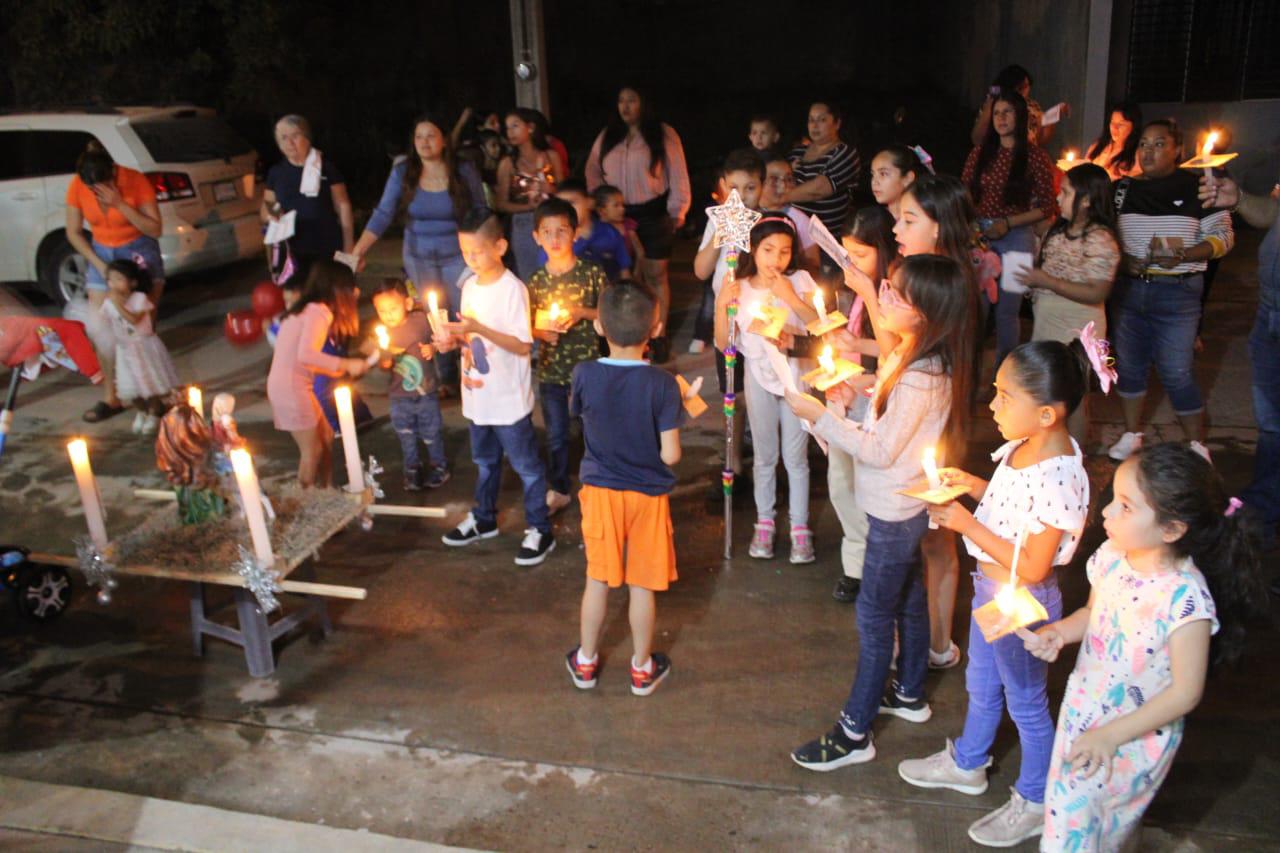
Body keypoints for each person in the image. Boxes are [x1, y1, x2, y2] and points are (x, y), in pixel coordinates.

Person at [898, 340, 1095, 848]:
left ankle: (1035, 799)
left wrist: (964, 521)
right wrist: (974, 486)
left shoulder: (1059, 475)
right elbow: (1014, 505)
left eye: (1005, 398)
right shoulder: (1030, 446)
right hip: (990, 591)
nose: (992, 406)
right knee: (982, 684)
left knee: (1027, 702)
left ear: (1048, 414)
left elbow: (1031, 564)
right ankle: (969, 762)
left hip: (1019, 603)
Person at [1023, 443, 1264, 851]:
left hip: (1133, 737)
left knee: (1082, 826)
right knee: (1083, 824)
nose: (1106, 513)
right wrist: (1061, 632)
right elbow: (1093, 614)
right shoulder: (1114, 557)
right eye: (1114, 500)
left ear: (1172, 529)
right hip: (1084, 712)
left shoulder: (1185, 601)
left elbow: (1186, 692)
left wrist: (1111, 735)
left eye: (1126, 507)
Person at [786, 253, 974, 770]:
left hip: (894, 509)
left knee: (873, 620)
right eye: (886, 287)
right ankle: (910, 692)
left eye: (895, 295)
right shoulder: (915, 354)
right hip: (898, 502)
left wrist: (821, 416)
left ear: (927, 312)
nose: (883, 298)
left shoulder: (921, 375)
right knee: (910, 597)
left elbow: (878, 450)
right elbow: (891, 420)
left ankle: (854, 732)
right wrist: (864, 392)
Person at [565, 281, 685, 697]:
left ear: (599, 326)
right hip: (648, 497)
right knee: (641, 585)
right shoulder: (664, 384)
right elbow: (670, 455)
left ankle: (585, 663)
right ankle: (641, 668)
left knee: (597, 580)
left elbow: (583, 417)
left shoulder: (583, 374)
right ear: (655, 330)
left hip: (600, 492)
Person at [887, 174, 987, 669]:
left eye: (909, 220)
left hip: (938, 430)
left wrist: (869, 291)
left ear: (940, 229)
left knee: (935, 535)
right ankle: (927, 638)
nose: (897, 229)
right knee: (927, 536)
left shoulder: (943, 286)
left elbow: (914, 357)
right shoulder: (925, 276)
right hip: (928, 421)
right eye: (898, 217)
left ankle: (936, 642)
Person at [1107, 120, 1234, 462]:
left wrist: (1185, 254)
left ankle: (1196, 444)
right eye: (1143, 144)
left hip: (1177, 293)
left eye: (1158, 144)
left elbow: (1223, 237)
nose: (1148, 151)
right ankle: (1132, 434)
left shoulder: (1200, 188)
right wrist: (1123, 261)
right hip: (1131, 292)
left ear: (1178, 149)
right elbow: (1107, 237)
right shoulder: (1122, 191)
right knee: (1130, 366)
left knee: (1176, 371)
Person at [440, 210, 555, 566]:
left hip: (507, 399)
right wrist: (453, 341)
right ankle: (484, 518)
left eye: (476, 252)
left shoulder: (512, 290)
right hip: (478, 396)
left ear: (500, 246)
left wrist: (478, 328)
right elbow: (471, 339)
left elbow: (523, 345)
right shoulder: (470, 286)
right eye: (464, 252)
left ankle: (539, 527)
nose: (469, 259)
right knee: (485, 462)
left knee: (528, 468)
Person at [714, 215, 819, 563]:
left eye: (785, 251)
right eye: (768, 249)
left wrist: (788, 294)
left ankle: (800, 527)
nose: (776, 259)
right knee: (764, 456)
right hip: (757, 378)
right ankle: (765, 522)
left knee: (795, 457)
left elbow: (819, 326)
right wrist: (720, 303)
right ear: (753, 250)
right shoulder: (738, 286)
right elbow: (723, 342)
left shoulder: (799, 280)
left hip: (795, 377)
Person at [1198, 171, 1280, 552]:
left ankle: (1261, 511)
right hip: (1270, 310)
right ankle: (1262, 510)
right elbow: (1273, 212)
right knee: (1270, 424)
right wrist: (1241, 199)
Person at [826, 206, 899, 603]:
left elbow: (898, 354)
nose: (851, 265)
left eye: (861, 255)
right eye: (846, 254)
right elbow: (865, 342)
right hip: (847, 393)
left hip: (874, 400)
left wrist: (864, 378)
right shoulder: (855, 291)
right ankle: (855, 563)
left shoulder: (892, 290)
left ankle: (872, 564)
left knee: (868, 486)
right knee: (840, 482)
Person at [585, 86, 691, 362]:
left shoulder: (663, 133)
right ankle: (624, 337)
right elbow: (592, 170)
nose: (626, 106)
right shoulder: (608, 135)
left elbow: (678, 173)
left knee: (656, 275)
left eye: (632, 100)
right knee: (622, 277)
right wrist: (599, 203)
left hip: (653, 214)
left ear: (644, 103)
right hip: (616, 215)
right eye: (621, 100)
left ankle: (658, 336)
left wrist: (677, 211)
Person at [351, 114, 485, 325]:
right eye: (419, 137)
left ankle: (469, 357)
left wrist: (485, 250)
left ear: (444, 139)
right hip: (419, 258)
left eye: (430, 136)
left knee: (464, 313)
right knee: (434, 317)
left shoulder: (463, 169)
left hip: (459, 256)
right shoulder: (403, 171)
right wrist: (358, 250)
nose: (424, 142)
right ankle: (442, 358)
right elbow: (383, 214)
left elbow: (480, 210)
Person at [65, 145, 164, 424]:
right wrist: (100, 266)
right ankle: (113, 396)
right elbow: (73, 232)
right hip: (102, 254)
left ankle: (152, 398)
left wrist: (121, 204)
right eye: (93, 187)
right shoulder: (77, 185)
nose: (99, 191)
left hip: (138, 251)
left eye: (105, 183)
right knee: (102, 328)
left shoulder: (134, 180)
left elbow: (155, 229)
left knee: (141, 330)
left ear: (114, 172)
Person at [963, 90, 1059, 372]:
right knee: (977, 310)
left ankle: (1003, 376)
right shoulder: (980, 154)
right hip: (980, 239)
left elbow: (1047, 205)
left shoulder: (1035, 157)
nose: (1001, 118)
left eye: (1008, 112)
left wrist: (1008, 224)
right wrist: (973, 229)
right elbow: (964, 193)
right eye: (996, 113)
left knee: (1008, 311)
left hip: (1017, 237)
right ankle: (970, 375)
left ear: (1020, 117)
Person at [1022, 163, 1120, 442]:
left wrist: (1046, 281)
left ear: (1087, 199)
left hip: (1078, 332)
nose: (1057, 198)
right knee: (1047, 391)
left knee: (1074, 399)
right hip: (1047, 325)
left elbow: (1097, 292)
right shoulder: (1058, 229)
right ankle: (1049, 451)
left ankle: (1075, 459)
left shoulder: (1100, 238)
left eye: (1065, 192)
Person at [528, 197, 609, 515]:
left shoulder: (591, 272)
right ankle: (559, 487)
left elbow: (607, 312)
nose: (555, 238)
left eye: (562, 230)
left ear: (575, 233)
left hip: (588, 368)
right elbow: (525, 322)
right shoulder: (535, 281)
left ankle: (599, 485)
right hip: (551, 371)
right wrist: (539, 332)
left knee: (594, 430)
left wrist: (581, 312)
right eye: (547, 232)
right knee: (557, 435)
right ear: (536, 237)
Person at [266, 260, 368, 488]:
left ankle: (325, 491)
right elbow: (307, 355)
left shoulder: (305, 309)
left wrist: (345, 367)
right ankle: (305, 502)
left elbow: (304, 359)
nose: (356, 293)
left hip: (289, 384)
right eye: (351, 287)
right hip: (292, 388)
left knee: (326, 437)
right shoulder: (319, 312)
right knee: (311, 452)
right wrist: (347, 363)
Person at [369, 279, 448, 492]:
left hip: (426, 391)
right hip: (399, 396)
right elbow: (383, 365)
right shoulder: (381, 334)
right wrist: (385, 362)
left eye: (393, 308)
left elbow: (442, 339)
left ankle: (438, 466)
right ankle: (412, 469)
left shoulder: (420, 321)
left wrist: (432, 348)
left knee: (431, 432)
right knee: (406, 435)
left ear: (407, 304)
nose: (388, 315)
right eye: (382, 310)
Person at [261, 115, 354, 280]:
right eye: (283, 138)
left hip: (327, 245)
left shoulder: (326, 168)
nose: (289, 143)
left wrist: (348, 248)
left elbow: (343, 206)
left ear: (307, 138)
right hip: (293, 250)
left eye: (295, 136)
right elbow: (268, 204)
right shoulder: (276, 173)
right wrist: (274, 214)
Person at [98, 259, 179, 435]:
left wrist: (118, 304)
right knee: (131, 387)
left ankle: (154, 411)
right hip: (124, 349)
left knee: (148, 384)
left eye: (119, 279)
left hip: (143, 347)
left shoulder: (140, 299)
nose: (113, 284)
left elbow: (133, 319)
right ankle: (141, 411)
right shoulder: (109, 303)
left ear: (132, 282)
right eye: (110, 280)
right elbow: (103, 321)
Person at [495, 108, 564, 283]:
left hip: (553, 220)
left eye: (515, 126)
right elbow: (501, 204)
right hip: (523, 223)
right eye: (507, 128)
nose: (510, 131)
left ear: (531, 127)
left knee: (557, 272)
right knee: (529, 276)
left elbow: (566, 193)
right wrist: (529, 207)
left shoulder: (551, 156)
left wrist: (553, 190)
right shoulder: (508, 163)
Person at [786, 101, 859, 247]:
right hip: (792, 239)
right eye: (811, 120)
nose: (815, 125)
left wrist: (778, 197)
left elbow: (818, 190)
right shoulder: (797, 153)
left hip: (826, 244)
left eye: (822, 120)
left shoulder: (845, 153)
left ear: (837, 124)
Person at [533, 179, 632, 282]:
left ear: (589, 202)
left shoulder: (609, 233)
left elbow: (624, 271)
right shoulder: (553, 245)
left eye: (572, 203)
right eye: (560, 205)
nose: (566, 209)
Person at [969, 64, 1055, 147]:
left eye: (1026, 86)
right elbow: (977, 139)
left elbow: (1040, 141)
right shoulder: (995, 104)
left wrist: (1051, 119)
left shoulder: (1032, 106)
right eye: (1020, 88)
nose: (1023, 92)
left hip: (1027, 155)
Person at [869, 145, 930, 220]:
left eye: (883, 174)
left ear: (908, 178)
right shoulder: (872, 220)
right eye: (873, 174)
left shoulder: (923, 219)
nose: (874, 182)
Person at [1086, 101, 1143, 180]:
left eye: (1121, 124)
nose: (1114, 128)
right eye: (1112, 122)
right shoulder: (1098, 146)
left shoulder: (1137, 154)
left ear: (1133, 127)